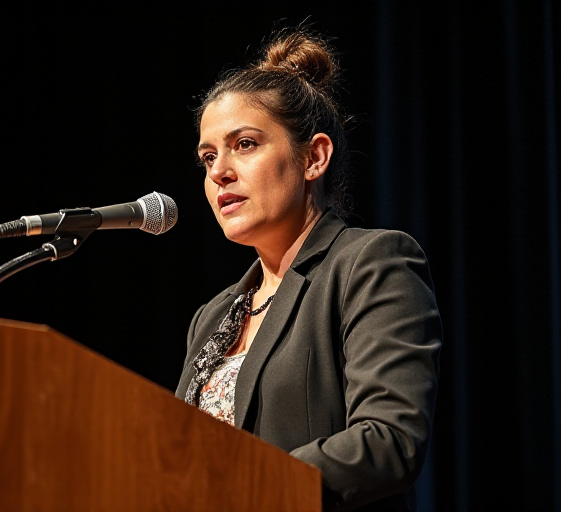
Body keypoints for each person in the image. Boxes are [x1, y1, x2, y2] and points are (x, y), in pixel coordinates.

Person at [175, 29, 442, 512]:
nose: (218, 172)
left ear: (313, 157)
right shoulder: (212, 318)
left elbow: (388, 441)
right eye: (208, 156)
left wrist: (247, 484)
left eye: (245, 144)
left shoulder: (370, 264)